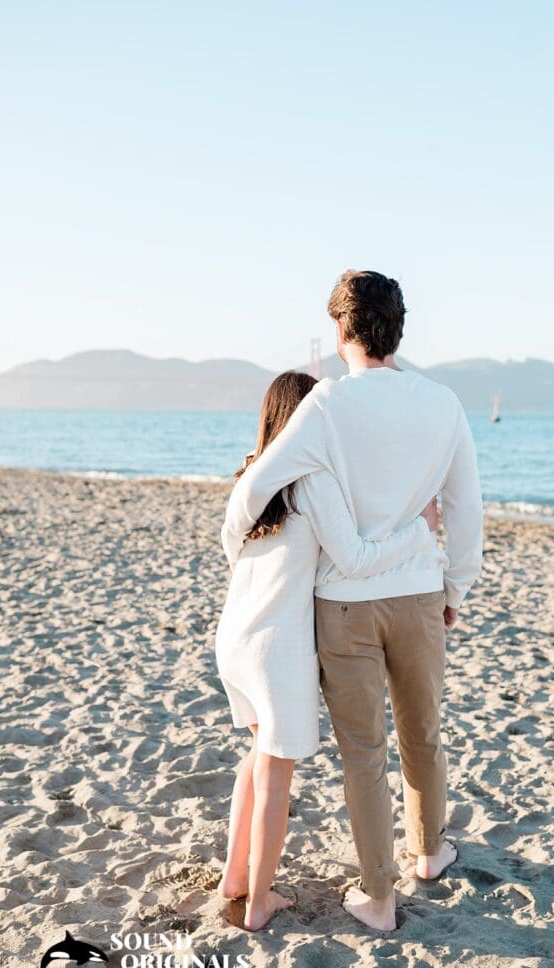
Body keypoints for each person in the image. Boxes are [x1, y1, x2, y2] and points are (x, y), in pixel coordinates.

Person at [222, 270, 483, 932]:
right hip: (420, 596)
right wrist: (455, 586)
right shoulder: (444, 404)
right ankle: (429, 853)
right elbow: (466, 510)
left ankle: (378, 896)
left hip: (344, 603)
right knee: (422, 733)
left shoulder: (326, 408)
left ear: (341, 330)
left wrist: (236, 551)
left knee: (363, 753)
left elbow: (254, 491)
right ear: (399, 329)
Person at [215, 370, 441, 931]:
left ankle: (234, 878)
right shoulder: (311, 478)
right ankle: (260, 902)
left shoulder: (253, 472)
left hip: (235, 636)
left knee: (255, 758)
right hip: (276, 651)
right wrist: (420, 530)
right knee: (275, 775)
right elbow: (355, 557)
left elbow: (229, 546)